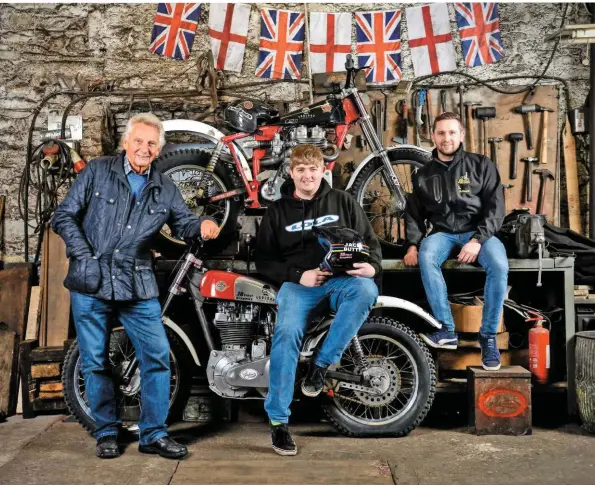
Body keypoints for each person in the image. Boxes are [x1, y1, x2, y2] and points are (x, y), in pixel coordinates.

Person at [52, 113, 220, 459]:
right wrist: (84, 255)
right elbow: (63, 216)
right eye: (139, 141)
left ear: (159, 150)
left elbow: (185, 224)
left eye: (151, 144)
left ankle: (153, 434)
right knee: (95, 360)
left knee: (157, 357)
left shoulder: (165, 188)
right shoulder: (98, 171)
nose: (144, 148)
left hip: (136, 282)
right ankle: (107, 431)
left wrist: (205, 223)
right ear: (126, 143)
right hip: (91, 281)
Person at [255, 144, 381, 456]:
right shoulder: (277, 211)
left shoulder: (342, 201)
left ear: (323, 171)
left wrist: (372, 266)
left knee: (367, 290)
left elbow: (370, 242)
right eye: (301, 170)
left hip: (341, 281)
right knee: (285, 334)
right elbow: (263, 261)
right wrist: (300, 275)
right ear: (291, 173)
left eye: (313, 169)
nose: (307, 175)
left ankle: (320, 367)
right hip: (300, 286)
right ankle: (278, 423)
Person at [404, 112, 508, 371]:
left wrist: (477, 240)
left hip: (479, 232)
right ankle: (447, 329)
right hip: (442, 233)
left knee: (499, 265)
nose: (446, 138)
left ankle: (487, 336)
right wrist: (413, 244)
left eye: (452, 132)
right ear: (433, 136)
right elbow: (413, 213)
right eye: (441, 133)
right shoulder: (423, 174)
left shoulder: (481, 165)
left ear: (461, 135)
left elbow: (496, 209)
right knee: (428, 256)